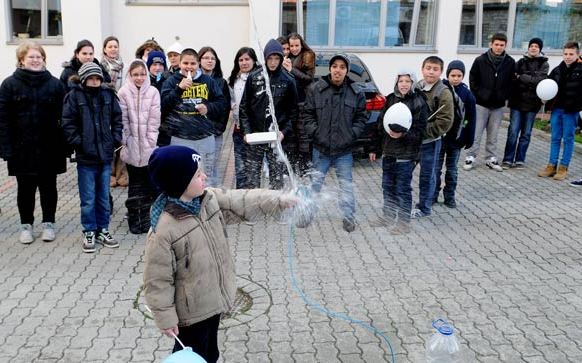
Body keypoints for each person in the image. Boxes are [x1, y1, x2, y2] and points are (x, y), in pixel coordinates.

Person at [143, 145, 297, 363]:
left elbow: (242, 199)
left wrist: (278, 200)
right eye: (197, 174)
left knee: (210, 354)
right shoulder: (163, 231)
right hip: (191, 314)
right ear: (180, 182)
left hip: (214, 301)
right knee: (192, 356)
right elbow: (157, 281)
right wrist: (165, 318)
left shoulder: (208, 199)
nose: (204, 176)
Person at [0, 41, 67, 244]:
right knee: (25, 190)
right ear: (22, 60)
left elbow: (65, 117)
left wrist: (65, 146)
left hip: (50, 147)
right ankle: (26, 226)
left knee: (49, 188)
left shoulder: (55, 84)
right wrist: (6, 147)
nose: (36, 60)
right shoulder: (9, 84)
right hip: (22, 149)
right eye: (31, 57)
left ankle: (49, 224)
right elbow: (3, 119)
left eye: (39, 57)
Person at [61, 62, 123, 253]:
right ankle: (89, 230)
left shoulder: (108, 95)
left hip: (104, 156)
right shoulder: (73, 96)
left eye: (98, 78)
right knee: (88, 198)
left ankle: (103, 229)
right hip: (85, 158)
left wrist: (114, 140)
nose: (95, 82)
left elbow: (117, 119)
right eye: (91, 78)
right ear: (83, 79)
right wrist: (79, 142)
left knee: (104, 197)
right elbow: (67, 122)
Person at [304, 53, 366, 232]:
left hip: (344, 151)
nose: (338, 70)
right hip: (320, 149)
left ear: (346, 71)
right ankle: (307, 214)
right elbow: (308, 115)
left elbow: (361, 117)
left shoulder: (356, 92)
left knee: (345, 185)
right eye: (335, 66)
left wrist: (352, 135)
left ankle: (348, 217)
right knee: (314, 183)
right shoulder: (316, 89)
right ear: (330, 69)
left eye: (342, 67)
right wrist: (316, 133)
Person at [368, 69, 427, 235]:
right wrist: (375, 148)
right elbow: (380, 125)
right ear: (396, 83)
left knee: (402, 189)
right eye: (401, 81)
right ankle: (387, 216)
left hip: (406, 157)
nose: (404, 84)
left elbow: (421, 131)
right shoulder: (390, 99)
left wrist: (403, 134)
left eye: (408, 81)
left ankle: (403, 222)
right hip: (389, 154)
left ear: (413, 83)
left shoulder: (419, 101)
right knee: (387, 187)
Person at [161, 48, 228, 186]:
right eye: (185, 63)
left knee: (206, 179)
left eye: (193, 63)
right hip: (180, 138)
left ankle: (207, 206)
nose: (189, 67)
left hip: (205, 138)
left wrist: (208, 108)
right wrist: (179, 89)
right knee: (181, 178)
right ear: (179, 64)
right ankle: (184, 206)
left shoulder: (208, 81)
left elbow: (222, 103)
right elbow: (163, 106)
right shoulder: (171, 81)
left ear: (198, 64)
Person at [239, 39, 298, 191]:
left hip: (276, 138)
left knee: (277, 180)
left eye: (276, 58)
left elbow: (293, 113)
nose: (273, 62)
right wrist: (246, 132)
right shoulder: (254, 77)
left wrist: (284, 132)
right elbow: (244, 107)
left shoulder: (288, 80)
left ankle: (275, 211)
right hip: (255, 136)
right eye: (270, 58)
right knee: (252, 178)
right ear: (265, 58)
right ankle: (254, 210)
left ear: (281, 58)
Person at [118, 59, 161, 234]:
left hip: (149, 148)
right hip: (131, 146)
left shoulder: (153, 92)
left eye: (142, 74)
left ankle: (147, 219)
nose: (139, 78)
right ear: (130, 75)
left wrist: (151, 142)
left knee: (149, 186)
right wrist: (126, 142)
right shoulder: (123, 92)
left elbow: (154, 120)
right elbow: (122, 121)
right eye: (135, 74)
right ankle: (134, 220)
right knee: (134, 186)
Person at [464, 33, 515, 171]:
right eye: (496, 44)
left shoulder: (510, 62)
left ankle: (490, 158)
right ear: (491, 44)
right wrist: (479, 94)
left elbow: (512, 82)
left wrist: (504, 95)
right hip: (481, 103)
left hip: (498, 105)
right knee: (476, 132)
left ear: (505, 46)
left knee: (493, 134)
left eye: (502, 45)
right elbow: (473, 78)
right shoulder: (481, 60)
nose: (498, 47)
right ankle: (470, 156)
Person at [413, 56, 454, 218]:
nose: (431, 72)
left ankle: (424, 207)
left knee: (427, 176)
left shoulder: (443, 93)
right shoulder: (416, 87)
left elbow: (445, 122)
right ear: (422, 69)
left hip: (430, 142)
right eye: (428, 68)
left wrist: (421, 131)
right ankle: (404, 200)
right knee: (405, 172)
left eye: (435, 69)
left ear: (441, 72)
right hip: (412, 141)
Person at [434, 60, 476, 208]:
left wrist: (469, 138)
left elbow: (471, 117)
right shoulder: (441, 89)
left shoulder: (467, 93)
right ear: (448, 75)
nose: (456, 78)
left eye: (459, 75)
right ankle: (433, 195)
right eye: (453, 75)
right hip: (440, 137)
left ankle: (449, 196)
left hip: (456, 139)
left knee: (452, 170)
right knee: (436, 169)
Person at [538, 41, 582, 181]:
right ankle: (551, 166)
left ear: (577, 54)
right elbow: (548, 85)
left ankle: (563, 168)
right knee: (555, 138)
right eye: (565, 54)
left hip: (571, 110)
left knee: (568, 139)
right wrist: (545, 98)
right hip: (557, 109)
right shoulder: (558, 69)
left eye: (571, 54)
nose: (567, 57)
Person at [503, 38, 549, 170]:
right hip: (517, 102)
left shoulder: (544, 64)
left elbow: (539, 81)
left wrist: (522, 77)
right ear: (528, 48)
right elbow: (513, 79)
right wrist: (528, 80)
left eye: (536, 46)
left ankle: (520, 159)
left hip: (533, 104)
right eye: (531, 46)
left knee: (526, 134)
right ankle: (507, 159)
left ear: (540, 49)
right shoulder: (520, 62)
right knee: (513, 131)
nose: (533, 48)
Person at [283, 32, 316, 176]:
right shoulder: (286, 57)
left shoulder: (307, 55)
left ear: (301, 44)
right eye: (292, 46)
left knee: (304, 139)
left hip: (303, 101)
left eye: (297, 45)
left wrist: (292, 70)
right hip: (290, 102)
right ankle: (292, 170)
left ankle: (304, 171)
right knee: (291, 139)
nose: (294, 48)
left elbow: (309, 78)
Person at [199, 46, 231, 187]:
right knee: (198, 167)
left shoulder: (221, 82)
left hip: (214, 133)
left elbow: (225, 108)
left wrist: (218, 129)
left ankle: (213, 197)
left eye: (212, 58)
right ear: (199, 60)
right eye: (206, 58)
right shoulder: (193, 81)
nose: (209, 61)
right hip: (197, 133)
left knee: (211, 166)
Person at [228, 47, 259, 189]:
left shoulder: (260, 78)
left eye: (247, 59)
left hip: (255, 131)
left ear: (254, 60)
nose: (244, 62)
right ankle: (239, 199)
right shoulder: (235, 80)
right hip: (238, 129)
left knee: (253, 169)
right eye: (241, 60)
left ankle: (253, 199)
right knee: (240, 168)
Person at [101, 36, 128, 188]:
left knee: (123, 139)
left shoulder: (124, 65)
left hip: (122, 104)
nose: (113, 49)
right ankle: (110, 174)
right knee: (110, 139)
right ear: (104, 49)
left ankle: (122, 173)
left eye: (115, 46)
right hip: (107, 106)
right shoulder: (100, 66)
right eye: (110, 46)